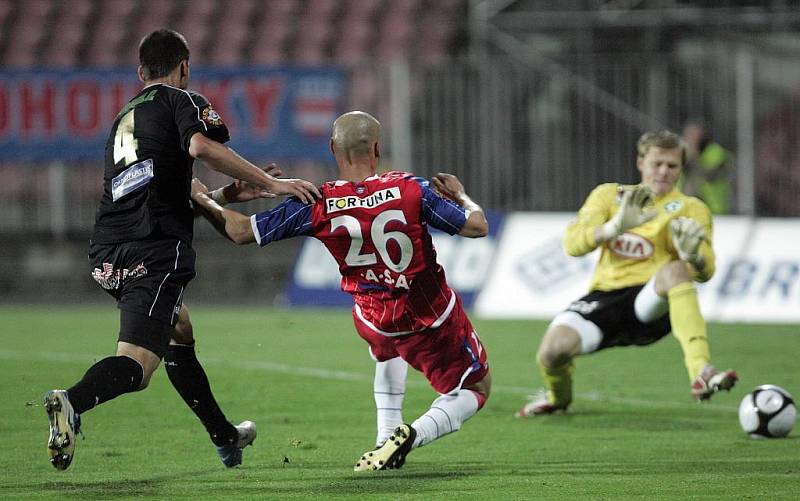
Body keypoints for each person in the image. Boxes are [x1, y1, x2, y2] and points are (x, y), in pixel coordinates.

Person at [43, 29, 320, 470]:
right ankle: (71, 401)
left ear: (140, 72)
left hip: (107, 253)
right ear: (184, 68)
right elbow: (201, 146)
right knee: (137, 366)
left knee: (180, 327)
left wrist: (226, 196)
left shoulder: (123, 119)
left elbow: (168, 191)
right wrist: (273, 184)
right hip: (153, 252)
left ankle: (226, 437)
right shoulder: (181, 101)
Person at [190, 110, 492, 471]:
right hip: (428, 316)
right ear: (377, 148)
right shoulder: (412, 190)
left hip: (373, 317)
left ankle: (384, 438)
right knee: (476, 387)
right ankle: (412, 434)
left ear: (332, 148)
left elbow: (239, 232)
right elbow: (477, 226)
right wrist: (462, 196)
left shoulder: (318, 201)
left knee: (386, 352)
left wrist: (204, 198)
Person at [517, 130, 738, 418]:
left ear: (680, 169)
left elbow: (706, 271)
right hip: (606, 299)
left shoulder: (691, 208)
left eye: (672, 166)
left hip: (651, 301)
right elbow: (572, 244)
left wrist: (694, 256)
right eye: (657, 163)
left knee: (675, 270)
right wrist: (613, 228)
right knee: (552, 352)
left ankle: (702, 371)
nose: (663, 172)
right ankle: (558, 399)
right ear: (640, 162)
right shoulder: (609, 195)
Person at [681, 121, 735, 215]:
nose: (690, 139)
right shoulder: (682, 153)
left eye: (694, 135)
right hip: (689, 207)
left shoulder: (715, 152)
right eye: (688, 135)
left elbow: (711, 176)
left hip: (715, 209)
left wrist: (694, 159)